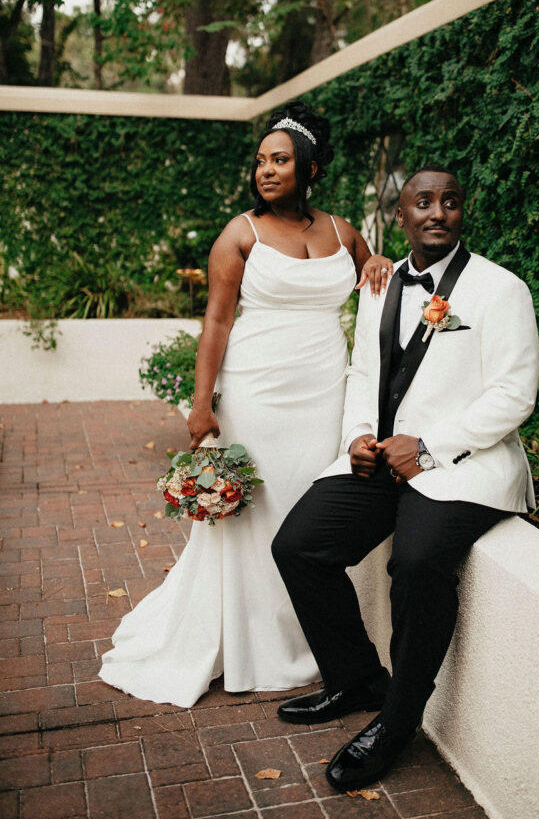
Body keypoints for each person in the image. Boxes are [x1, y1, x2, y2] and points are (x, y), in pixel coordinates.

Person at [99, 101, 393, 708]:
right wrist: (201, 405)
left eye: (280, 160)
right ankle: (253, 643)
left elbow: (371, 271)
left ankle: (308, 638)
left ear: (309, 168)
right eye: (260, 161)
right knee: (258, 515)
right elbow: (216, 321)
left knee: (303, 511)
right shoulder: (240, 233)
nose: (265, 170)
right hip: (257, 392)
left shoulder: (343, 230)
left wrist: (379, 261)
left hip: (323, 394)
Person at [272, 165, 539, 791]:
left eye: (450, 201)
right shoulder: (379, 283)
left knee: (417, 565)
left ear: (461, 211)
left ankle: (396, 723)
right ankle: (356, 677)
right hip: (381, 460)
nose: (438, 212)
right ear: (402, 216)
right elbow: (363, 370)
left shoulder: (502, 290)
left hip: (461, 467)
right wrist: (358, 438)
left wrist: (429, 445)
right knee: (299, 545)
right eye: (424, 202)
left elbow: (515, 394)